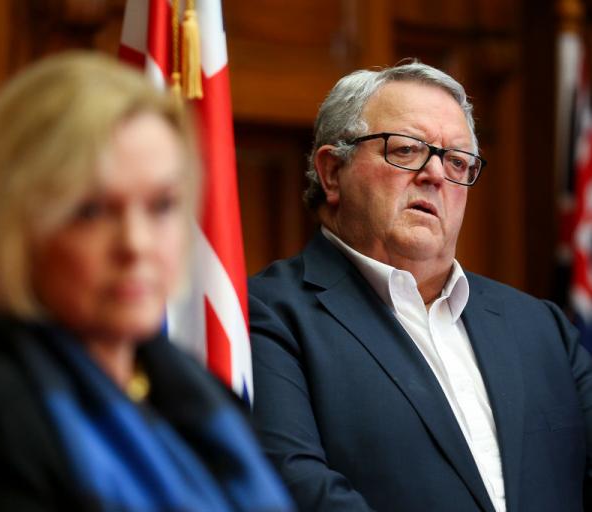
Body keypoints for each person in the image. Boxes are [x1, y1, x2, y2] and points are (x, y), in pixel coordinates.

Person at [249, 61, 592, 511]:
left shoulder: (542, 327)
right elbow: (298, 489)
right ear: (332, 171)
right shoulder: (267, 313)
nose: (435, 175)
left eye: (455, 161)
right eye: (408, 150)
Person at [0, 52, 293, 512]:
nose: (136, 245)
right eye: (92, 211)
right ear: (14, 227)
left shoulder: (196, 391)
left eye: (161, 206)